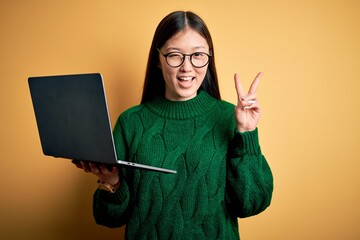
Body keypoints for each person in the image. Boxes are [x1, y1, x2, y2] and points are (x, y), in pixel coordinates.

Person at [74, 10, 273, 239]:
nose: (187, 67)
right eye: (175, 55)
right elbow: (108, 218)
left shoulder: (231, 118)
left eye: (198, 55)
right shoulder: (131, 123)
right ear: (158, 59)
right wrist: (111, 182)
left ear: (209, 57)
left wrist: (246, 133)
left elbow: (251, 203)